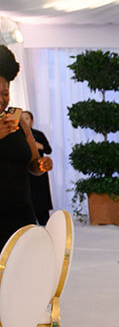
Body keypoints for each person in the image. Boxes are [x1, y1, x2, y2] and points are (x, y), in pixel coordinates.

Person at [0, 49, 52, 247]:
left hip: (21, 212)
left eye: (5, 93)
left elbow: (32, 164)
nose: (2, 99)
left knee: (23, 270)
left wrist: (41, 165)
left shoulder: (19, 121)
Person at [25, 112, 53, 224]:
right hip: (25, 172)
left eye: (26, 118)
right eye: (21, 119)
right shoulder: (17, 135)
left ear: (32, 121)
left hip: (39, 169)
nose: (24, 121)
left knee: (41, 197)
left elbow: (48, 150)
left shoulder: (38, 134)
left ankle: (44, 222)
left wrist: (37, 145)